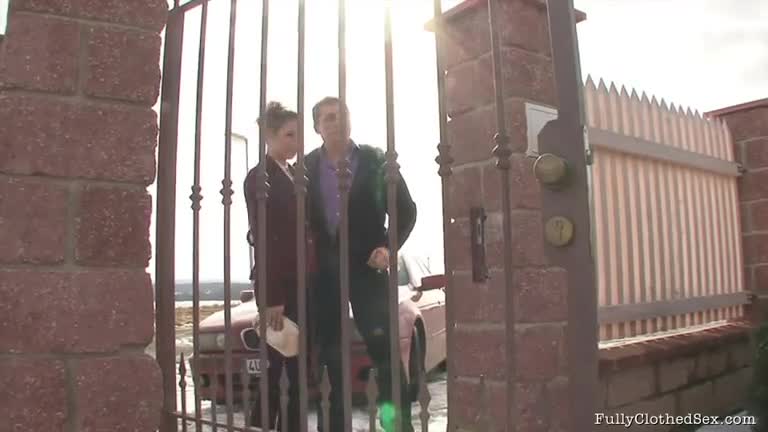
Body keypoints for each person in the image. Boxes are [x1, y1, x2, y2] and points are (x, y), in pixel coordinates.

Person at [305, 96, 417, 432]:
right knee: (330, 356)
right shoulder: (306, 167)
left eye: (341, 115)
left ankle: (397, 425)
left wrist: (388, 247)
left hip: (368, 270)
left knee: (384, 353)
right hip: (324, 274)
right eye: (327, 117)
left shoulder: (375, 159)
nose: (336, 121)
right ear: (317, 127)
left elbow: (406, 210)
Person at [244, 101, 314, 431]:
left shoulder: (293, 172)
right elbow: (265, 239)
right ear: (269, 136)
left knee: (294, 367)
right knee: (278, 369)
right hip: (279, 288)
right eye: (289, 135)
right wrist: (272, 297)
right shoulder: (261, 177)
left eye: (299, 134)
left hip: (300, 282)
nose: (296, 141)